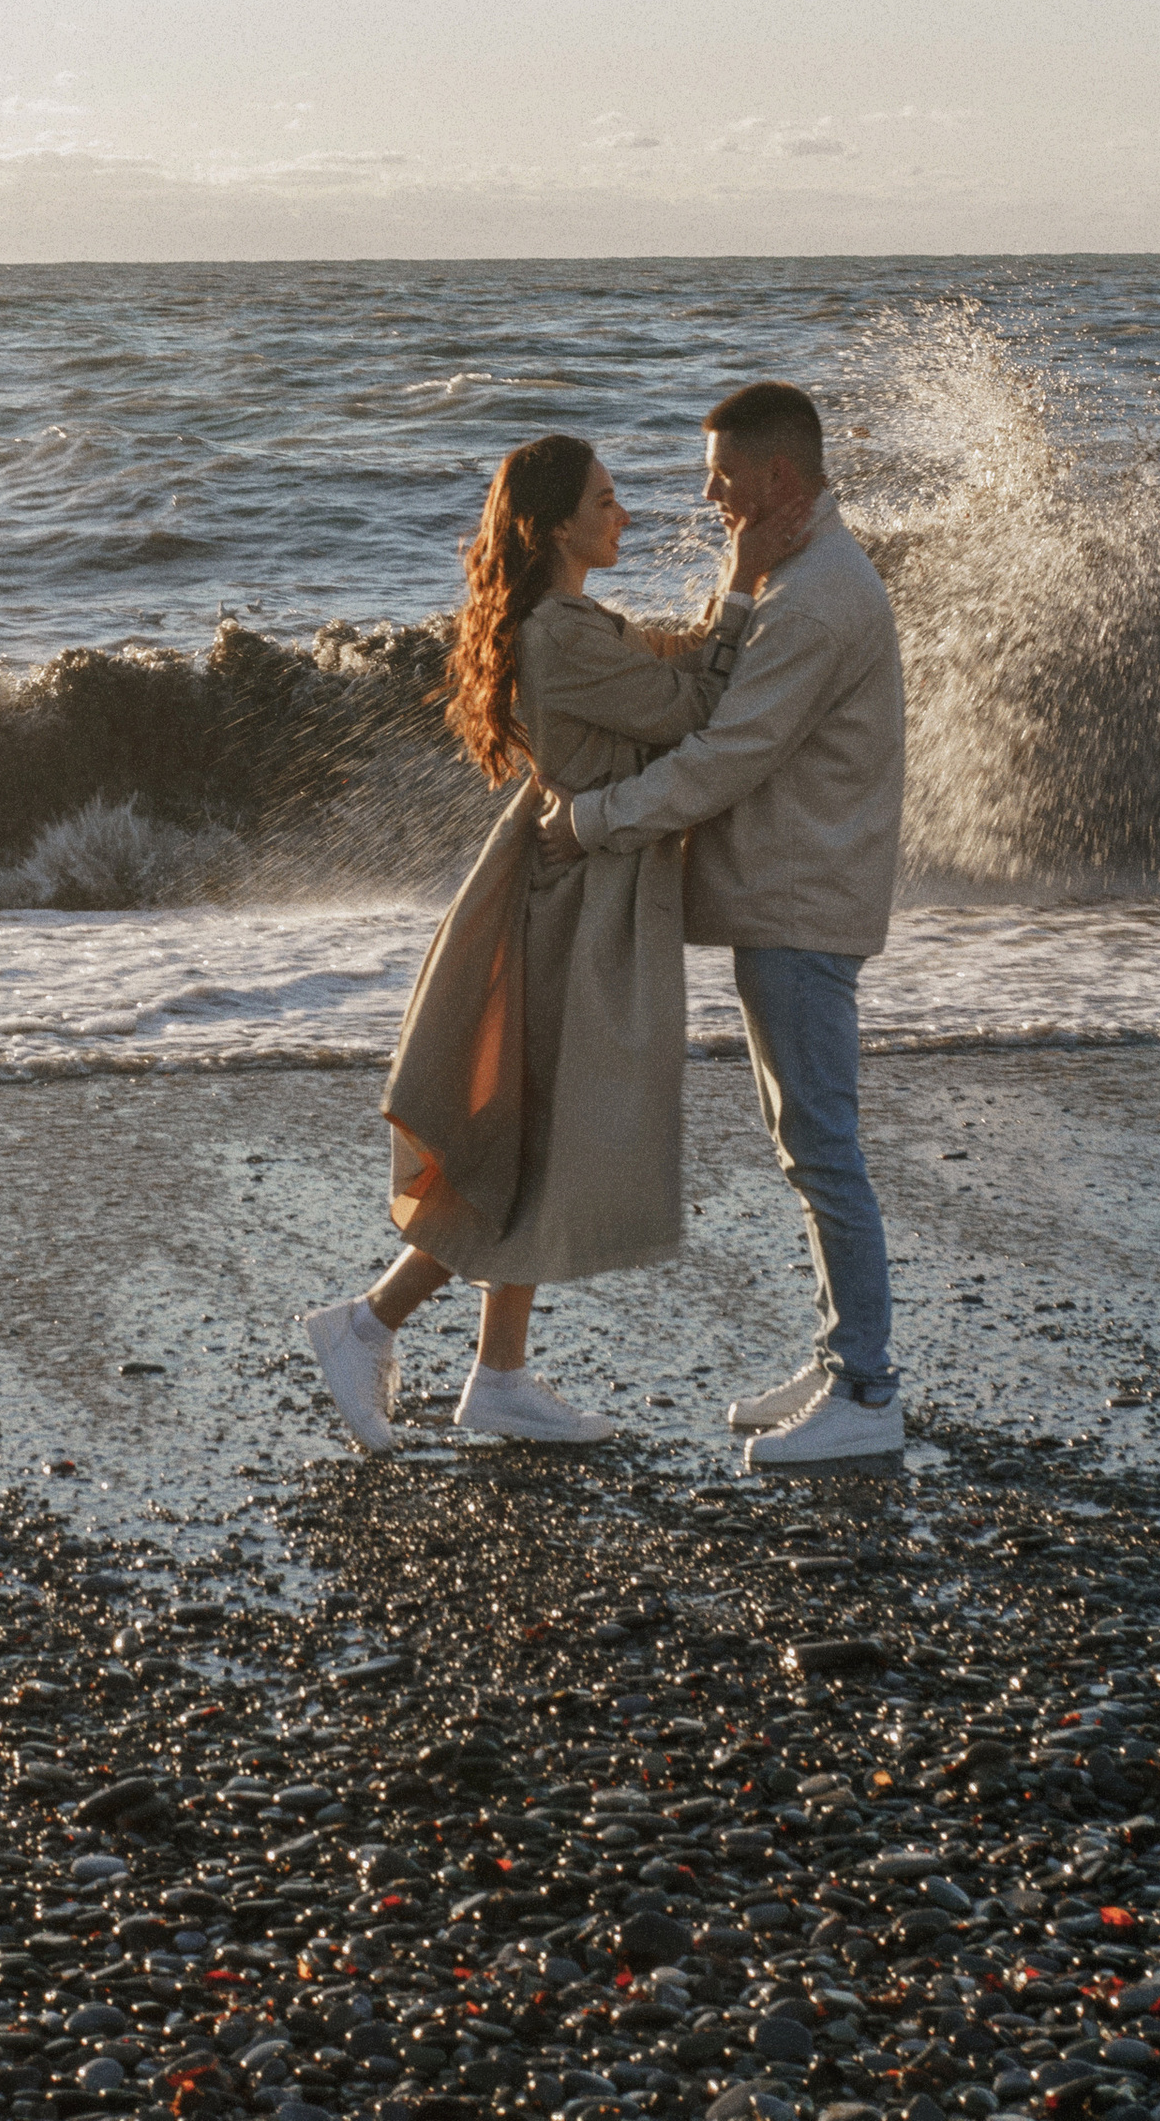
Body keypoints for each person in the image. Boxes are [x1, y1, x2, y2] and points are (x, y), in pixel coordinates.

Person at [300, 432, 794, 1449]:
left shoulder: (571, 622)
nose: (624, 517)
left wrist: (733, 592)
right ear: (556, 523)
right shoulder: (563, 634)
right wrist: (744, 580)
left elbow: (677, 672)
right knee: (525, 1143)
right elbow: (697, 704)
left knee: (537, 1139)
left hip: (576, 889)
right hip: (568, 903)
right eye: (607, 503)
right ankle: (366, 1324)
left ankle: (498, 1376)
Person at [539, 378, 906, 1466]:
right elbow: (715, 694)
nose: (706, 494)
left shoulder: (819, 600)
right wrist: (736, 580)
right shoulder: (791, 578)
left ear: (779, 477)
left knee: (823, 1150)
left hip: (800, 903)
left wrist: (592, 822)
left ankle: (868, 1391)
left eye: (723, 475)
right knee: (806, 1145)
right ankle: (845, 1356)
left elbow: (723, 755)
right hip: (785, 895)